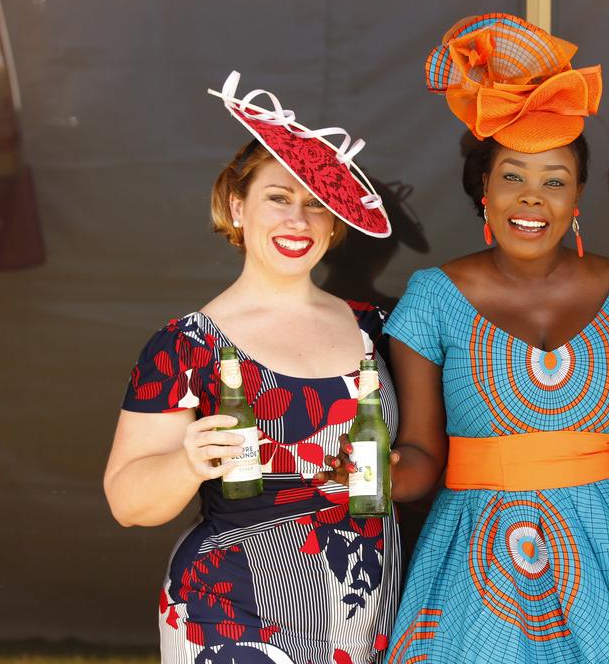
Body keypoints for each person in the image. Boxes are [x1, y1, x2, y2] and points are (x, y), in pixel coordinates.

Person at [324, 13, 609, 662]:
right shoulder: (432, 300)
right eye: (512, 176)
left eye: (554, 181)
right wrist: (374, 473)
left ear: (577, 200)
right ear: (482, 189)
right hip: (478, 560)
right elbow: (422, 455)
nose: (531, 200)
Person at [104, 72, 400, 664]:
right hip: (233, 613)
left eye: (317, 205)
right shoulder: (186, 344)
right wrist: (188, 461)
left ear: (336, 224)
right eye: (278, 197)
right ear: (238, 207)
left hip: (366, 610)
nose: (299, 220)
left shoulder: (380, 329)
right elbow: (128, 503)